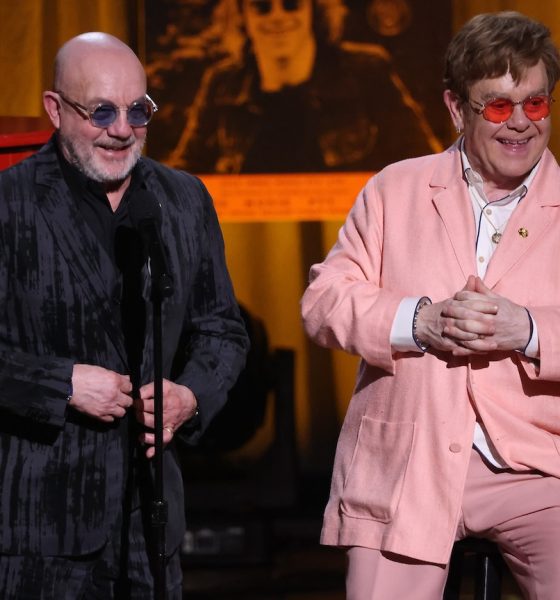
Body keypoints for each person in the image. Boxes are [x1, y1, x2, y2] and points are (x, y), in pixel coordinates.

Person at [301, 11, 560, 599]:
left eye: (536, 104)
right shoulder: (396, 189)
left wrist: (529, 330)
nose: (520, 123)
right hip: (404, 462)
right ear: (455, 108)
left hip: (541, 469)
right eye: (497, 106)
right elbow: (324, 300)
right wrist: (420, 320)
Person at [0, 32, 249, 599]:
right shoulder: (8, 204)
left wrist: (191, 395)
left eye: (138, 110)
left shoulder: (183, 198)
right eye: (102, 111)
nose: (121, 128)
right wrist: (60, 383)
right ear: (55, 109)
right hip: (36, 531)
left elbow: (222, 330)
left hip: (150, 525)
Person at [164, 0, 441, 173]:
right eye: (261, 7)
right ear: (243, 18)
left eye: (291, 4)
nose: (277, 16)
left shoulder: (367, 70)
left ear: (314, 11)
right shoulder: (221, 83)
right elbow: (185, 168)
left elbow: (426, 162)